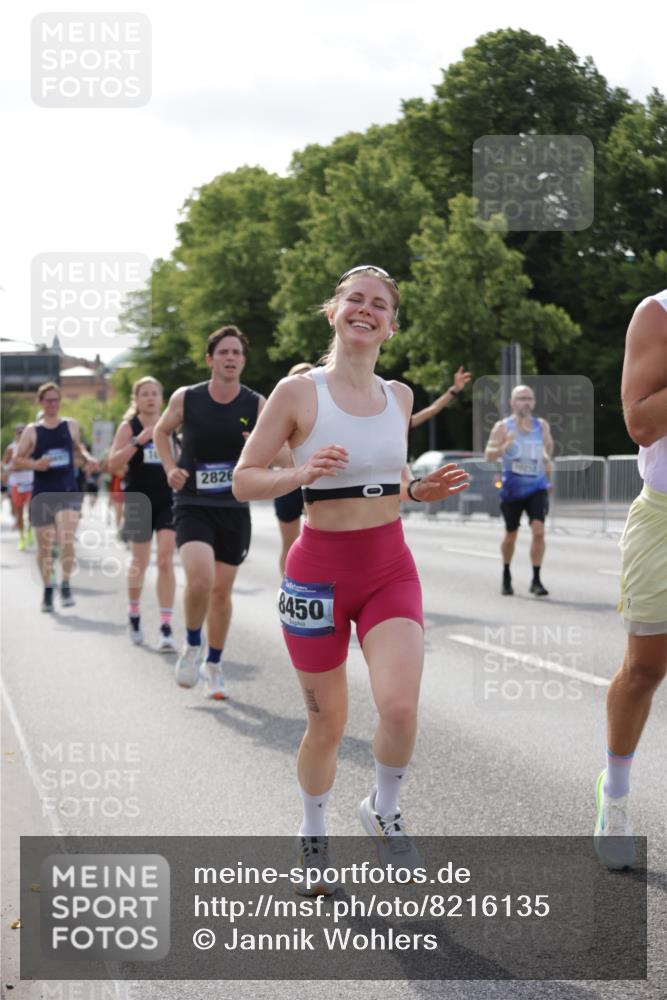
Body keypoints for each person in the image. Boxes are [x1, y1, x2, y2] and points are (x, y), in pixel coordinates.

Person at [233, 265, 468, 890]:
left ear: (392, 326)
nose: (366, 309)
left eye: (379, 304)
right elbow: (244, 479)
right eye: (355, 300)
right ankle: (313, 831)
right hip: (318, 573)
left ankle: (383, 808)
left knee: (400, 707)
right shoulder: (297, 393)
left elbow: (391, 480)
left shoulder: (400, 396)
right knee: (327, 724)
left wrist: (418, 491)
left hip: (389, 566)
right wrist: (300, 474)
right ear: (333, 312)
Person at [594, 290, 667, 870]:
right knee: (644, 669)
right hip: (664, 515)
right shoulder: (658, 312)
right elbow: (641, 423)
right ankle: (614, 796)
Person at [154, 325, 265, 699]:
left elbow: (280, 452)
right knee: (200, 580)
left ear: (243, 361)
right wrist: (170, 467)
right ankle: (191, 645)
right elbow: (161, 432)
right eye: (223, 352)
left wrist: (260, 451)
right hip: (192, 503)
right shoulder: (187, 398)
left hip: (233, 507)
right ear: (210, 359)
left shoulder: (257, 404)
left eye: (237, 353)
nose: (230, 358)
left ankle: (214, 665)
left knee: (220, 592)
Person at [13, 382, 98, 612]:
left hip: (68, 490)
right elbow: (17, 459)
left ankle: (66, 584)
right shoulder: (32, 431)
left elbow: (78, 448)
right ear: (40, 402)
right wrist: (36, 464)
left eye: (56, 400)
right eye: (48, 400)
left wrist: (88, 458)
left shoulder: (70, 425)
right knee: (44, 548)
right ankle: (48, 588)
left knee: (66, 538)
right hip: (43, 493)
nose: (53, 404)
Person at [109, 377, 178, 651]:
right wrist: (138, 442)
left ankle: (166, 626)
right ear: (136, 400)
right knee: (139, 561)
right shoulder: (129, 427)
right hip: (139, 500)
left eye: (154, 393)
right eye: (145, 394)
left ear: (161, 398)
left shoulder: (170, 425)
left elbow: (182, 458)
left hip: (167, 500)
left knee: (165, 559)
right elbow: (112, 464)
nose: (150, 398)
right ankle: (135, 613)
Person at [484, 384, 553, 596]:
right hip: (512, 490)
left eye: (529, 398)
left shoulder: (541, 425)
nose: (526, 402)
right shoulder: (502, 427)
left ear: (534, 402)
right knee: (511, 535)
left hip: (537, 487)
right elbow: (489, 456)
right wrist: (505, 445)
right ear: (512, 403)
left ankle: (536, 580)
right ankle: (506, 575)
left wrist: (546, 462)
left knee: (539, 531)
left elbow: (547, 449)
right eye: (521, 398)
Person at [3, 424, 34, 549]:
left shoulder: (32, 447)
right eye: (19, 432)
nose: (21, 435)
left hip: (31, 483)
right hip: (17, 484)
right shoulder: (11, 448)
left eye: (24, 432)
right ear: (16, 434)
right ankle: (22, 538)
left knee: (32, 510)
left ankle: (30, 532)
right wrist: (8, 469)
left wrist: (24, 465)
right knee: (19, 512)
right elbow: (4, 464)